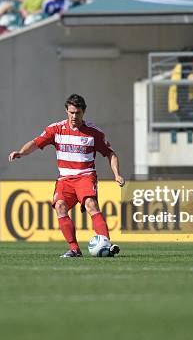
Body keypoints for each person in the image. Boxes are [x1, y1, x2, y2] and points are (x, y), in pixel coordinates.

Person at [8, 94, 124, 257]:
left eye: (77, 113)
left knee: (91, 204)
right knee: (60, 207)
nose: (74, 116)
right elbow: (36, 142)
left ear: (83, 112)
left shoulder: (93, 133)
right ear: (66, 111)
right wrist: (21, 152)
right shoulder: (56, 129)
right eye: (71, 112)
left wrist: (117, 174)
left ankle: (106, 245)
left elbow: (110, 154)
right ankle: (75, 249)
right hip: (65, 179)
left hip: (85, 176)